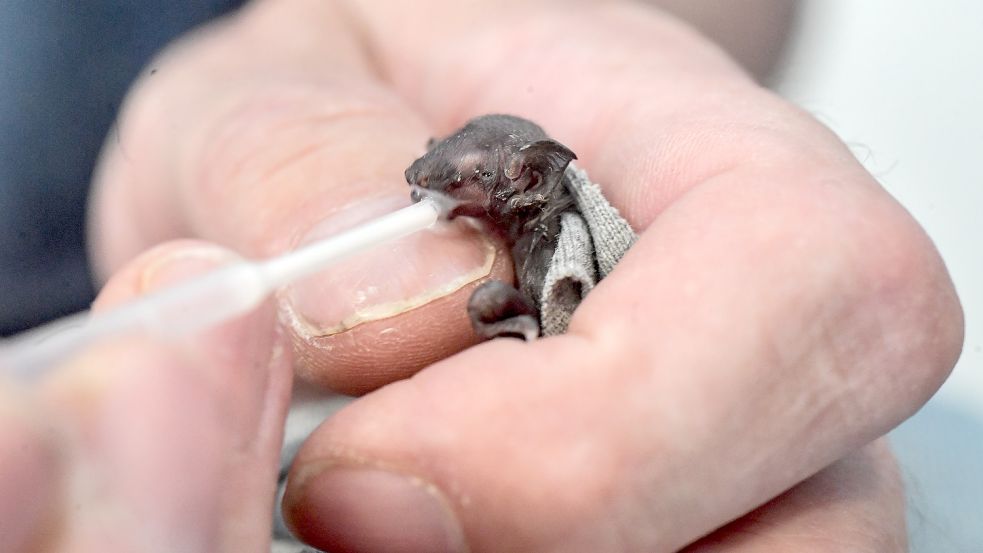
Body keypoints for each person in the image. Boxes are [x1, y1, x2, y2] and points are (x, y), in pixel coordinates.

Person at [0, 1, 964, 551]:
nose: (425, 189)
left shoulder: (567, 233)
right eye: (434, 166)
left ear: (529, 183)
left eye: (459, 181)